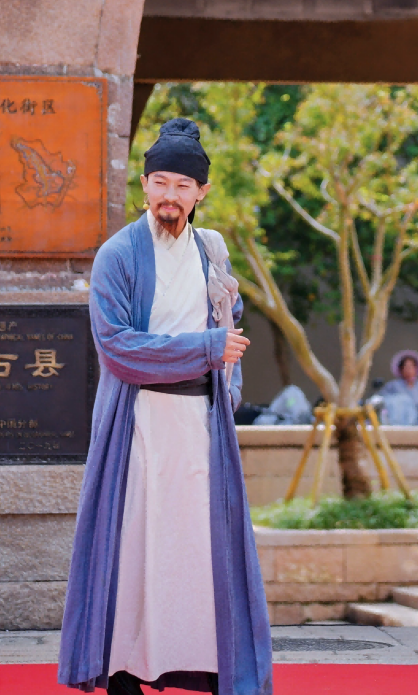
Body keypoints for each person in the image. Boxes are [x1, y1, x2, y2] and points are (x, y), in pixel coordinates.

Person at [58, 118, 272, 695]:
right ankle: (126, 670)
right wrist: (206, 349)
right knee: (136, 548)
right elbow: (117, 348)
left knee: (198, 551)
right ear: (144, 186)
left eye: (182, 185)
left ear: (202, 192)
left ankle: (206, 667)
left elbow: (228, 327)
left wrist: (227, 384)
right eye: (160, 183)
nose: (169, 196)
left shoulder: (212, 250)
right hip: (140, 424)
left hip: (200, 426)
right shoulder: (118, 255)